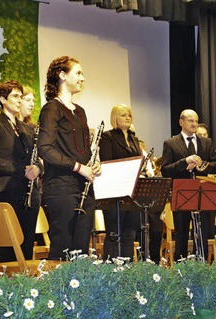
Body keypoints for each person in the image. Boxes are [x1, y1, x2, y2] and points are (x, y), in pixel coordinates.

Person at [37, 56, 100, 260]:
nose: (83, 78)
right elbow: (45, 149)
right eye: (78, 73)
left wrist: (94, 164)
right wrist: (78, 167)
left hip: (84, 187)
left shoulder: (80, 111)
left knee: (81, 250)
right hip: (61, 187)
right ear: (62, 76)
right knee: (63, 248)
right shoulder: (51, 108)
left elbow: (84, 151)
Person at [0, 80, 42, 262]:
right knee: (8, 249)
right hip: (7, 192)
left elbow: (39, 156)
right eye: (15, 96)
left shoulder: (27, 128)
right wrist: (20, 169)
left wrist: (38, 168)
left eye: (21, 96)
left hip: (30, 192)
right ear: (3, 99)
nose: (20, 100)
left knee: (27, 245)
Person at [161, 109, 216, 261]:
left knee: (203, 233)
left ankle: (203, 264)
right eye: (190, 120)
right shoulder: (171, 143)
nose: (194, 123)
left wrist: (202, 166)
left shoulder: (206, 142)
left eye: (195, 121)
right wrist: (184, 162)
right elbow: (165, 170)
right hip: (182, 193)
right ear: (181, 122)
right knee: (181, 233)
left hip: (202, 193)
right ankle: (181, 266)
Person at [98, 104, 141, 260]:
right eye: (123, 115)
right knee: (114, 233)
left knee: (129, 233)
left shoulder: (134, 138)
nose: (128, 117)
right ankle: (111, 268)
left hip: (132, 192)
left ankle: (127, 268)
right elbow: (107, 162)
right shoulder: (107, 137)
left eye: (129, 115)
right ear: (115, 118)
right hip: (114, 192)